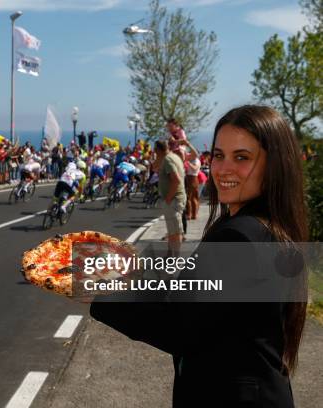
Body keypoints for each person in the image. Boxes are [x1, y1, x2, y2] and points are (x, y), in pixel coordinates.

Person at [91, 105, 309, 407]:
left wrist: (99, 286)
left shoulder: (240, 236)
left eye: (242, 157)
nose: (223, 168)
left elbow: (179, 326)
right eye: (218, 155)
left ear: (275, 165)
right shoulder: (268, 226)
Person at [154, 139, 186, 256]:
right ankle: (171, 255)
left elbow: (176, 179)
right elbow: (154, 167)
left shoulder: (168, 160)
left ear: (158, 150)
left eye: (155, 150)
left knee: (176, 232)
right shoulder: (172, 157)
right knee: (172, 230)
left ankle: (176, 258)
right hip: (174, 199)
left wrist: (168, 198)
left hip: (173, 199)